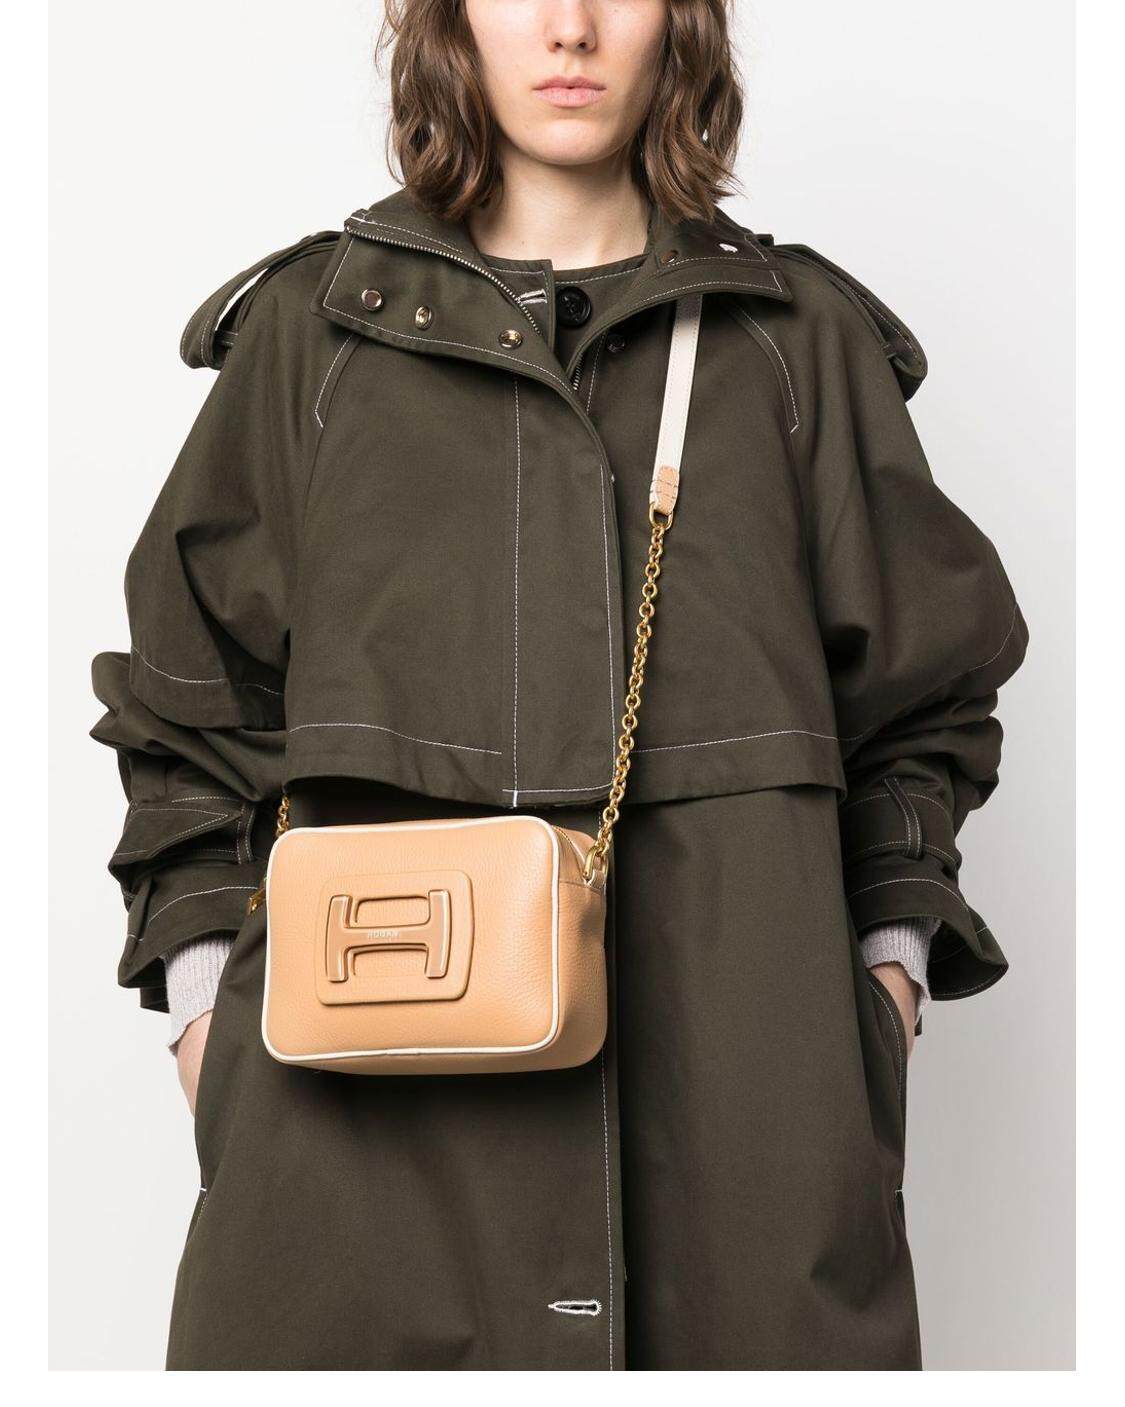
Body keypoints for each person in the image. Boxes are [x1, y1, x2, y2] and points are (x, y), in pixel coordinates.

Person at [91, 0, 1027, 1371]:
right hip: (345, 1159)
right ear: (448, 23)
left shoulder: (797, 343)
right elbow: (187, 716)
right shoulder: (310, 338)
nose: (571, 27)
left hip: (741, 1155)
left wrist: (882, 992)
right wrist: (205, 1025)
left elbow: (924, 706)